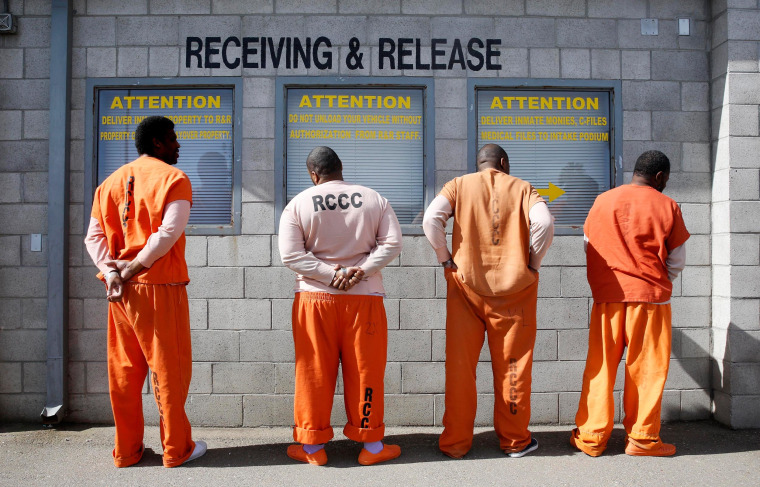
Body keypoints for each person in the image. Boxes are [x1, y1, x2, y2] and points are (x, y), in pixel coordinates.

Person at [84, 116, 206, 468]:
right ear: (156, 143)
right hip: (158, 286)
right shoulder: (174, 179)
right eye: (172, 139)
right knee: (168, 370)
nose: (178, 144)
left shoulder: (109, 183)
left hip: (119, 292)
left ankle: (127, 451)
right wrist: (134, 268)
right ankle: (177, 449)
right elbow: (168, 233)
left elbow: (93, 237)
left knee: (124, 372)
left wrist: (112, 272)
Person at [422, 144, 554, 458]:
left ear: (479, 164)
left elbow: (431, 220)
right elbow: (545, 224)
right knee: (512, 367)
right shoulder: (523, 189)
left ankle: (455, 443)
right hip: (514, 293)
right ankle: (514, 442)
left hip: (465, 288)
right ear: (504, 163)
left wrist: (445, 260)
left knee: (460, 368)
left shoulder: (458, 186)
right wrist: (532, 264)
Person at [278, 146, 403, 466]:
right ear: (341, 168)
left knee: (313, 371)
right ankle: (372, 446)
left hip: (313, 299)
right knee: (366, 368)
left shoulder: (299, 204)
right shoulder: (374, 199)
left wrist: (330, 276)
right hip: (364, 297)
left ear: (313, 174)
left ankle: (312, 448)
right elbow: (392, 244)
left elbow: (291, 256)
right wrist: (361, 271)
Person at [570, 150, 690, 457]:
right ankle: (642, 439)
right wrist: (656, 281)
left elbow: (589, 245)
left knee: (600, 367)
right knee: (647, 370)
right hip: (650, 299)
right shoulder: (667, 205)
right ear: (660, 177)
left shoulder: (602, 201)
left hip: (607, 298)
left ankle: (591, 437)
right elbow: (676, 261)